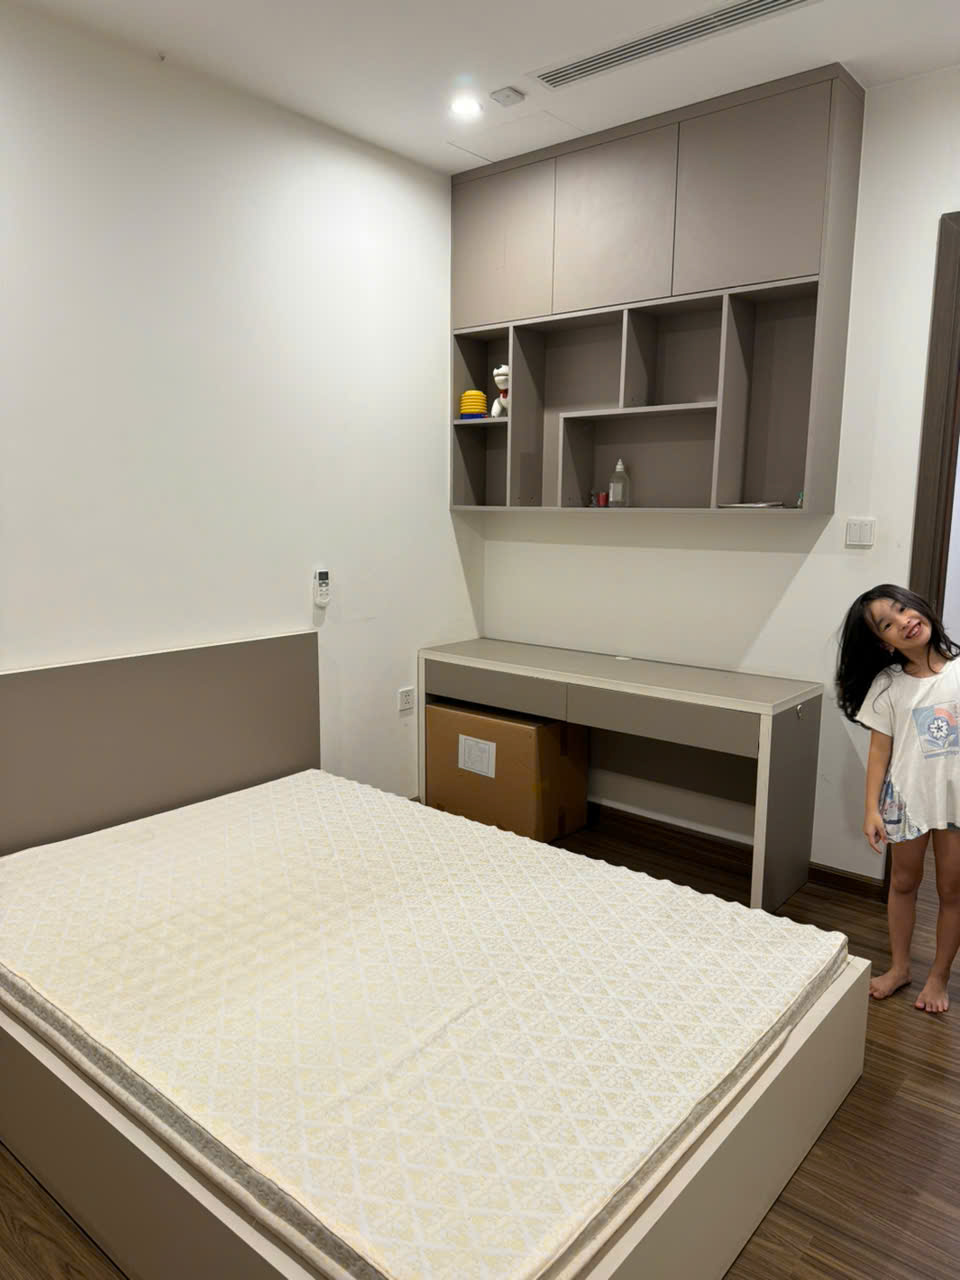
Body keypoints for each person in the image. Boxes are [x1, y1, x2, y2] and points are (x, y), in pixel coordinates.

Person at [836, 584, 960, 1012]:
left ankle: (939, 977)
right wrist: (870, 808)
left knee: (952, 890)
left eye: (903, 608)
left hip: (955, 803)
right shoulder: (887, 685)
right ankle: (900, 967)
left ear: (920, 608)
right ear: (883, 643)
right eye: (887, 623)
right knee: (903, 883)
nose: (903, 620)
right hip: (906, 800)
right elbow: (879, 752)